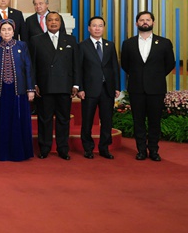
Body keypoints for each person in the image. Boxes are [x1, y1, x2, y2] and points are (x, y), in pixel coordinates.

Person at [120, 11, 176, 161]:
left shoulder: (164, 42)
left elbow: (170, 63)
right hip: (136, 88)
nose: (145, 22)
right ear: (136, 23)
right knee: (138, 121)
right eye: (141, 20)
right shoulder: (128, 43)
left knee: (154, 121)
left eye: (148, 20)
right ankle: (141, 151)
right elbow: (125, 64)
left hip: (156, 89)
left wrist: (155, 76)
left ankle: (154, 150)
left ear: (153, 22)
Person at [30, 12, 81, 160]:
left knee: (63, 119)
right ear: (45, 23)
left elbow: (75, 64)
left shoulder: (70, 39)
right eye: (50, 20)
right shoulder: (36, 40)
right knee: (44, 119)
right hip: (44, 87)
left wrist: (76, 84)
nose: (53, 22)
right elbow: (32, 65)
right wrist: (34, 84)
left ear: (60, 22)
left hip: (65, 86)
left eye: (56, 20)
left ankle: (63, 148)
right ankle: (44, 148)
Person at [0, 19, 35, 162]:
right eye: (4, 29)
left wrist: (30, 89)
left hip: (18, 90)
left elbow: (28, 68)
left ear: (14, 31)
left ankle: (18, 152)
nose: (6, 32)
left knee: (17, 119)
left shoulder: (22, 46)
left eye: (9, 29)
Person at [77, 16, 120, 160]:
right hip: (89, 90)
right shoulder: (82, 46)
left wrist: (117, 86)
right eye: (94, 26)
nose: (97, 28)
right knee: (87, 120)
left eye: (100, 26)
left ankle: (104, 147)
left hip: (107, 89)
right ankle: (88, 148)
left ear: (103, 28)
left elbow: (115, 67)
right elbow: (79, 69)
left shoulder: (110, 45)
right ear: (89, 28)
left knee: (107, 120)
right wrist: (80, 88)